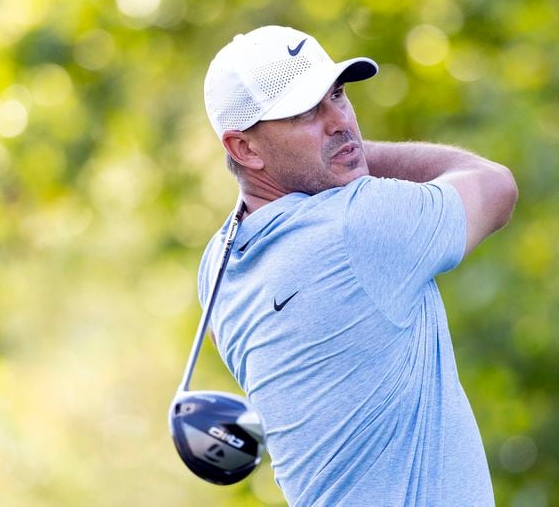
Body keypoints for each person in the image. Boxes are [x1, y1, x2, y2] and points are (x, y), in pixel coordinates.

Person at [198, 25, 517, 506]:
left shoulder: (218, 265)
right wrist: (352, 158)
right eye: (305, 112)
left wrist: (331, 155)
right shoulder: (357, 223)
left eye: (338, 95)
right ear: (244, 148)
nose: (339, 121)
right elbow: (496, 187)